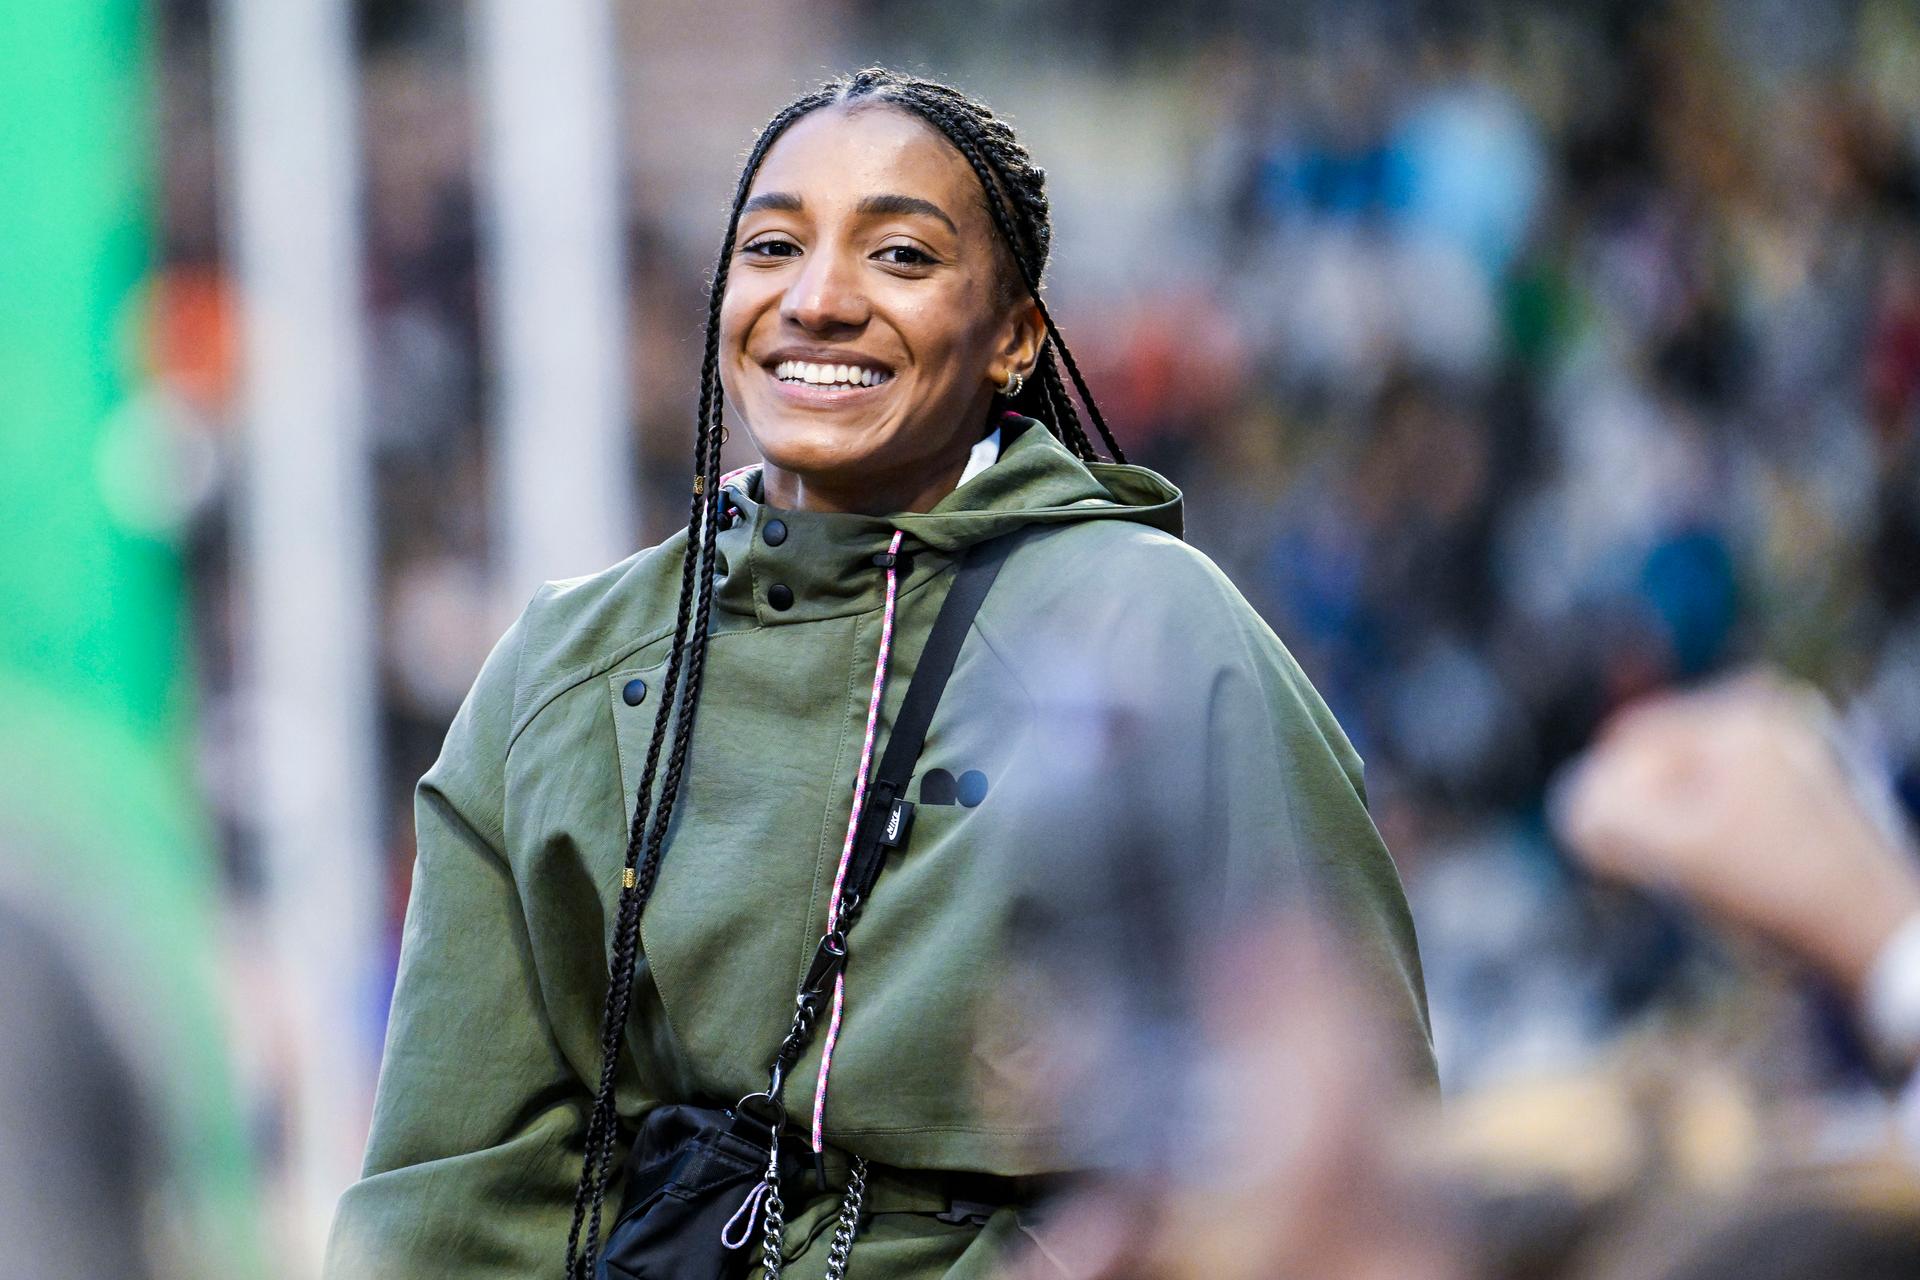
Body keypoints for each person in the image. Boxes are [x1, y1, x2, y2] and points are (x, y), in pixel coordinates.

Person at [324, 67, 1431, 1280]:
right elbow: (449, 1203)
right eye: (772, 246)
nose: (818, 297)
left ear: (1014, 336)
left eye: (900, 254)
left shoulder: (1162, 633)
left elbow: (1348, 1145)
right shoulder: (571, 668)